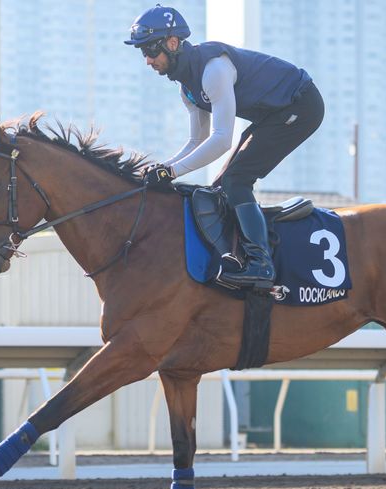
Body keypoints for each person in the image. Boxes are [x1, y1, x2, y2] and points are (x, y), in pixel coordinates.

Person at [125, 4, 325, 289]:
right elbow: (196, 141)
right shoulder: (187, 89)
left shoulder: (214, 70)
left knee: (236, 180)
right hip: (274, 114)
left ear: (172, 43)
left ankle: (261, 265)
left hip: (301, 105)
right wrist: (164, 167)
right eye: (142, 52)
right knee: (221, 186)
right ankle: (241, 254)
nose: (147, 60)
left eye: (150, 50)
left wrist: (172, 172)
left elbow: (221, 140)